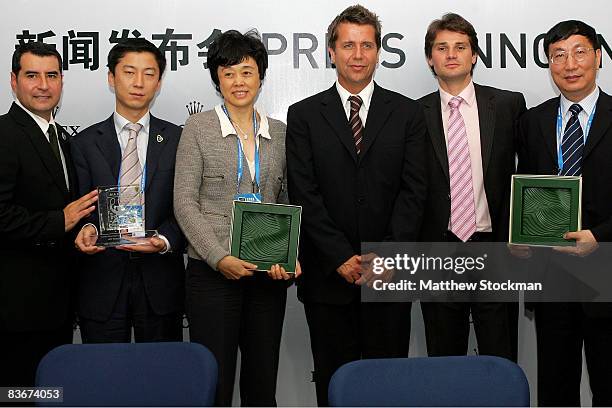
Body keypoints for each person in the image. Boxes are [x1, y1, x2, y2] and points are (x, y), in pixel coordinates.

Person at [286, 5, 428, 405]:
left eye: (367, 45)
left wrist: (382, 257)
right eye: (348, 45)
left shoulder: (407, 113)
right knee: (334, 384)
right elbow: (304, 194)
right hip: (328, 277)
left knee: (387, 386)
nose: (358, 54)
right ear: (331, 51)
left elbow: (414, 192)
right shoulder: (304, 115)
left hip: (388, 275)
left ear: (379, 52)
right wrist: (340, 257)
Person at [174, 30, 297, 406]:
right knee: (215, 383)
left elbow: (288, 199)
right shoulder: (198, 129)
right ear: (216, 80)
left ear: (261, 76)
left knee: (262, 384)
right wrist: (218, 257)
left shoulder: (279, 132)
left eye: (246, 71)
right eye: (228, 73)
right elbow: (183, 203)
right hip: (212, 276)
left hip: (266, 277)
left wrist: (288, 256)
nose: (238, 82)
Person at [418, 13, 526, 361]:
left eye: (460, 46)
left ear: (474, 54)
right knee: (443, 357)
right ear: (429, 58)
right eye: (442, 47)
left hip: (496, 249)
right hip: (439, 250)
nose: (452, 54)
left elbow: (529, 172)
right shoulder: (413, 114)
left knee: (500, 356)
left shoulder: (508, 105)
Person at [518, 20, 612, 406]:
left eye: (579, 52)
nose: (569, 64)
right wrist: (520, 236)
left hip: (607, 273)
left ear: (598, 57)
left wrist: (600, 235)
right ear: (549, 64)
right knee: (556, 389)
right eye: (558, 55)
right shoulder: (532, 121)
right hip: (551, 276)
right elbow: (525, 189)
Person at [72, 38, 185, 343]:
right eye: (129, 72)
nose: (139, 83)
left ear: (159, 82)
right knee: (103, 380)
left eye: (149, 74)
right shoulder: (83, 143)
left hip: (160, 280)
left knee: (161, 381)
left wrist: (163, 240)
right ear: (111, 77)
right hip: (102, 279)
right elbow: (78, 206)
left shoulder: (178, 139)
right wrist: (86, 229)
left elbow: (188, 206)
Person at [0, 42, 98, 386]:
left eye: (51, 75)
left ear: (61, 82)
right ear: (14, 81)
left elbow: (67, 207)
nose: (43, 85)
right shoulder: (4, 133)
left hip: (57, 304)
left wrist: (80, 231)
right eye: (32, 75)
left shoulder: (61, 137)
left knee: (50, 395)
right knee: (17, 395)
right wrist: (62, 221)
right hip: (16, 309)